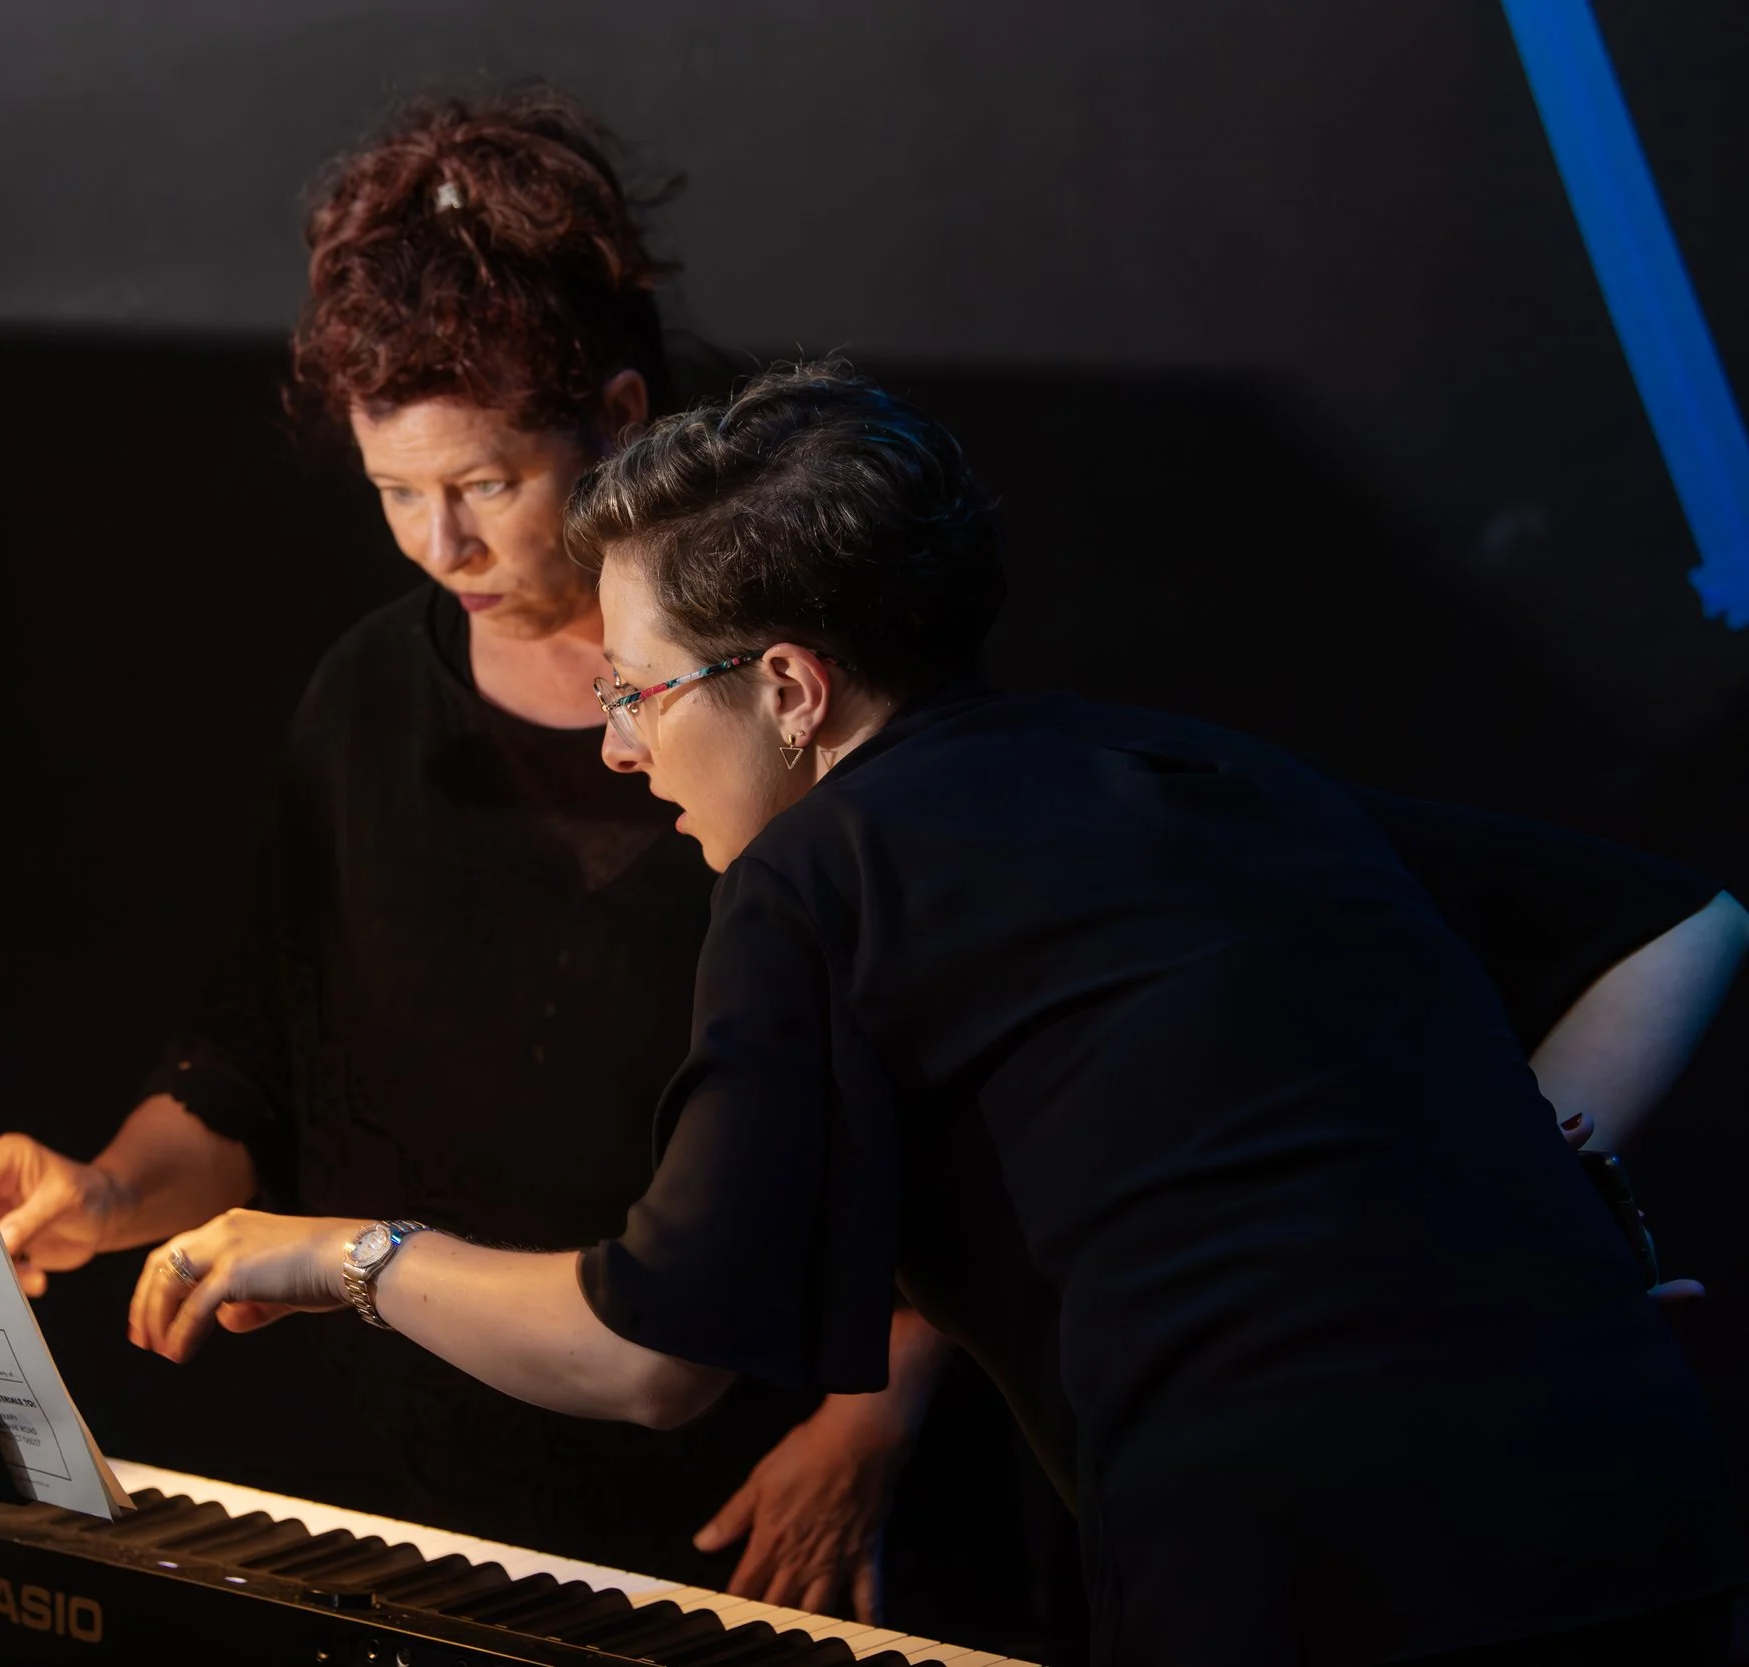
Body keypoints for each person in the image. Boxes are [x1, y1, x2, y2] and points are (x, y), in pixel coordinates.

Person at [128, 363, 1749, 1665]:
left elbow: (648, 1354)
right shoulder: (1206, 770)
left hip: (1316, 1577)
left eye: (638, 693)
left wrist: (336, 1253)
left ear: (788, 685)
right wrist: (1531, 1183)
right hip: (1651, 1517)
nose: (620, 748)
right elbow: (1694, 914)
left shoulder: (812, 873)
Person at [0, 95, 956, 1617]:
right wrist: (106, 1191)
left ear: (621, 415)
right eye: (394, 494)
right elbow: (258, 1068)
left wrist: (869, 1412)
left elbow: (925, 1112)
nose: (443, 546)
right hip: (418, 1514)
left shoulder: (772, 722)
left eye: (486, 484)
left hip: (730, 1506)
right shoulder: (370, 693)